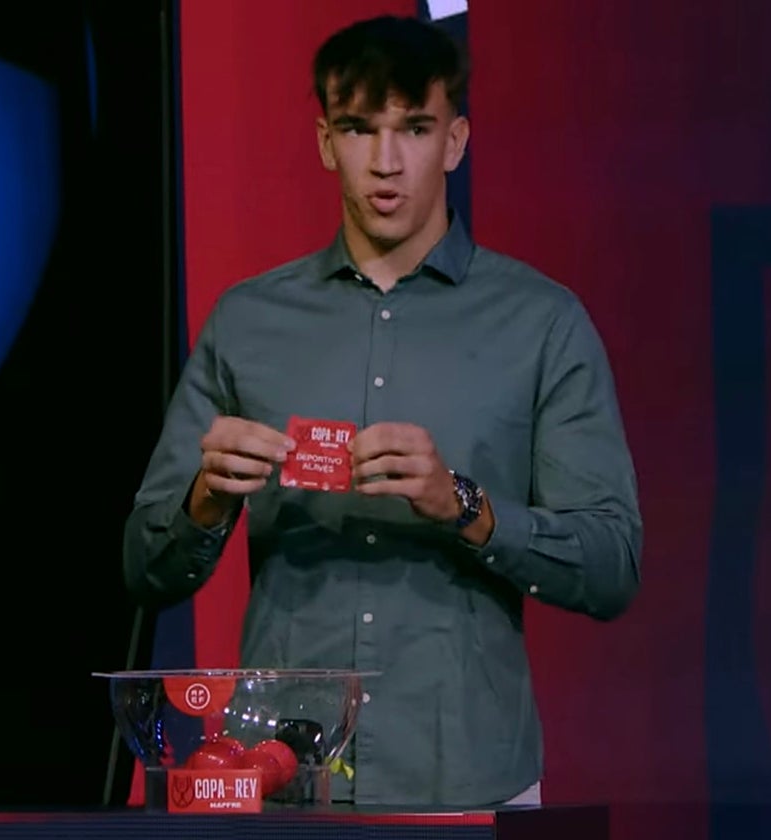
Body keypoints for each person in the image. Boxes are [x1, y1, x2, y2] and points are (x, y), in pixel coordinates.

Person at [123, 14, 641, 808]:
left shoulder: (542, 322)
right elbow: (144, 568)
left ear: (456, 141)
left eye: (416, 128)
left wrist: (462, 506)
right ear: (327, 142)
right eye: (361, 130)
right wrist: (206, 498)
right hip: (288, 786)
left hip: (470, 783)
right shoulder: (248, 323)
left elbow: (612, 565)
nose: (388, 162)